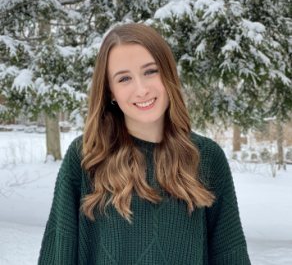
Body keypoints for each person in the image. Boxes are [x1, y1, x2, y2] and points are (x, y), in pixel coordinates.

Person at [38, 23, 251, 265]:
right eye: (124, 78)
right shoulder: (87, 157)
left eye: (150, 71)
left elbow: (229, 253)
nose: (141, 89)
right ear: (110, 92)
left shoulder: (206, 157)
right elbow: (59, 252)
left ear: (168, 72)